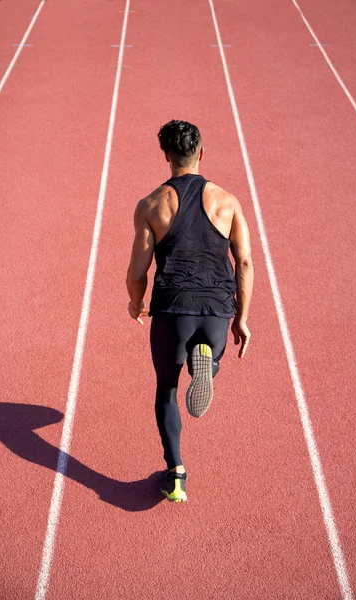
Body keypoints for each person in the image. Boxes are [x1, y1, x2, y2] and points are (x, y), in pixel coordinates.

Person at [126, 119, 253, 502]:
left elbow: (137, 272)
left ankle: (176, 474)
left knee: (166, 390)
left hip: (173, 310)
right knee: (210, 355)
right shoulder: (228, 201)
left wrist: (136, 304)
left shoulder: (151, 204)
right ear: (202, 152)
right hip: (216, 308)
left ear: (166, 156)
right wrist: (242, 317)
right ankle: (210, 362)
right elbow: (244, 262)